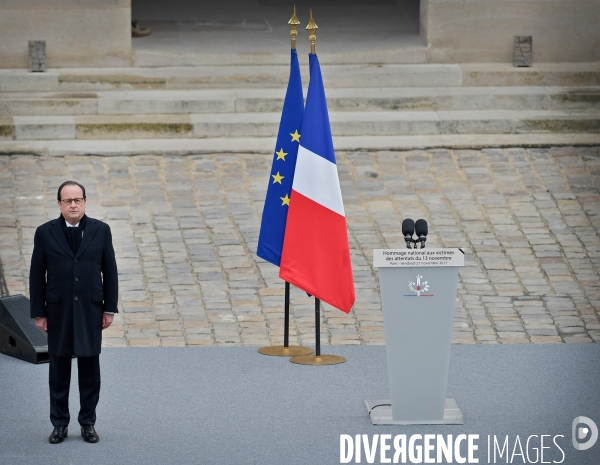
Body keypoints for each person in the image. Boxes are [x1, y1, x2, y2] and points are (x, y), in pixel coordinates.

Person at [29, 181, 118, 444]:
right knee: (58, 369)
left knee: (90, 368)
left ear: (85, 201)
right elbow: (37, 274)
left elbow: (109, 271)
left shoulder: (101, 230)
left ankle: (88, 422)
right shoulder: (45, 233)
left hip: (91, 309)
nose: (73, 205)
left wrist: (109, 308)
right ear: (59, 204)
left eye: (77, 200)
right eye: (67, 201)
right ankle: (59, 424)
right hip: (58, 311)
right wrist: (39, 312)